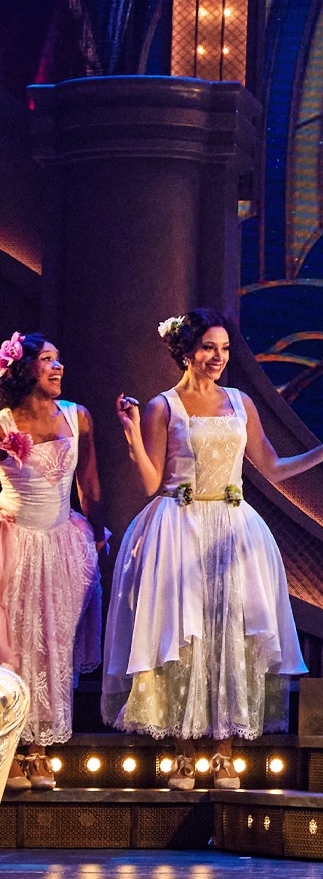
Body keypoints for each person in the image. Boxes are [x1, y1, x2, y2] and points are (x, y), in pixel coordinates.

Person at [103, 309, 323, 790]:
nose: (217, 357)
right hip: (179, 526)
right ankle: (182, 754)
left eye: (224, 349)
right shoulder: (164, 406)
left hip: (234, 528)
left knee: (231, 634)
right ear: (186, 350)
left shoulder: (240, 403)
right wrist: (133, 432)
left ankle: (224, 754)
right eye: (208, 348)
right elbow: (154, 482)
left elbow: (272, 467)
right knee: (184, 637)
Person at [0, 333, 104, 790]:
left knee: (52, 647)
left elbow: (90, 486)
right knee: (17, 645)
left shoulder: (77, 417)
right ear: (24, 369)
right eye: (47, 360)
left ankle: (39, 750)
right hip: (16, 542)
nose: (57, 367)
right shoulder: (2, 422)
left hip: (63, 544)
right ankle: (12, 749)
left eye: (59, 360)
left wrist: (99, 535)